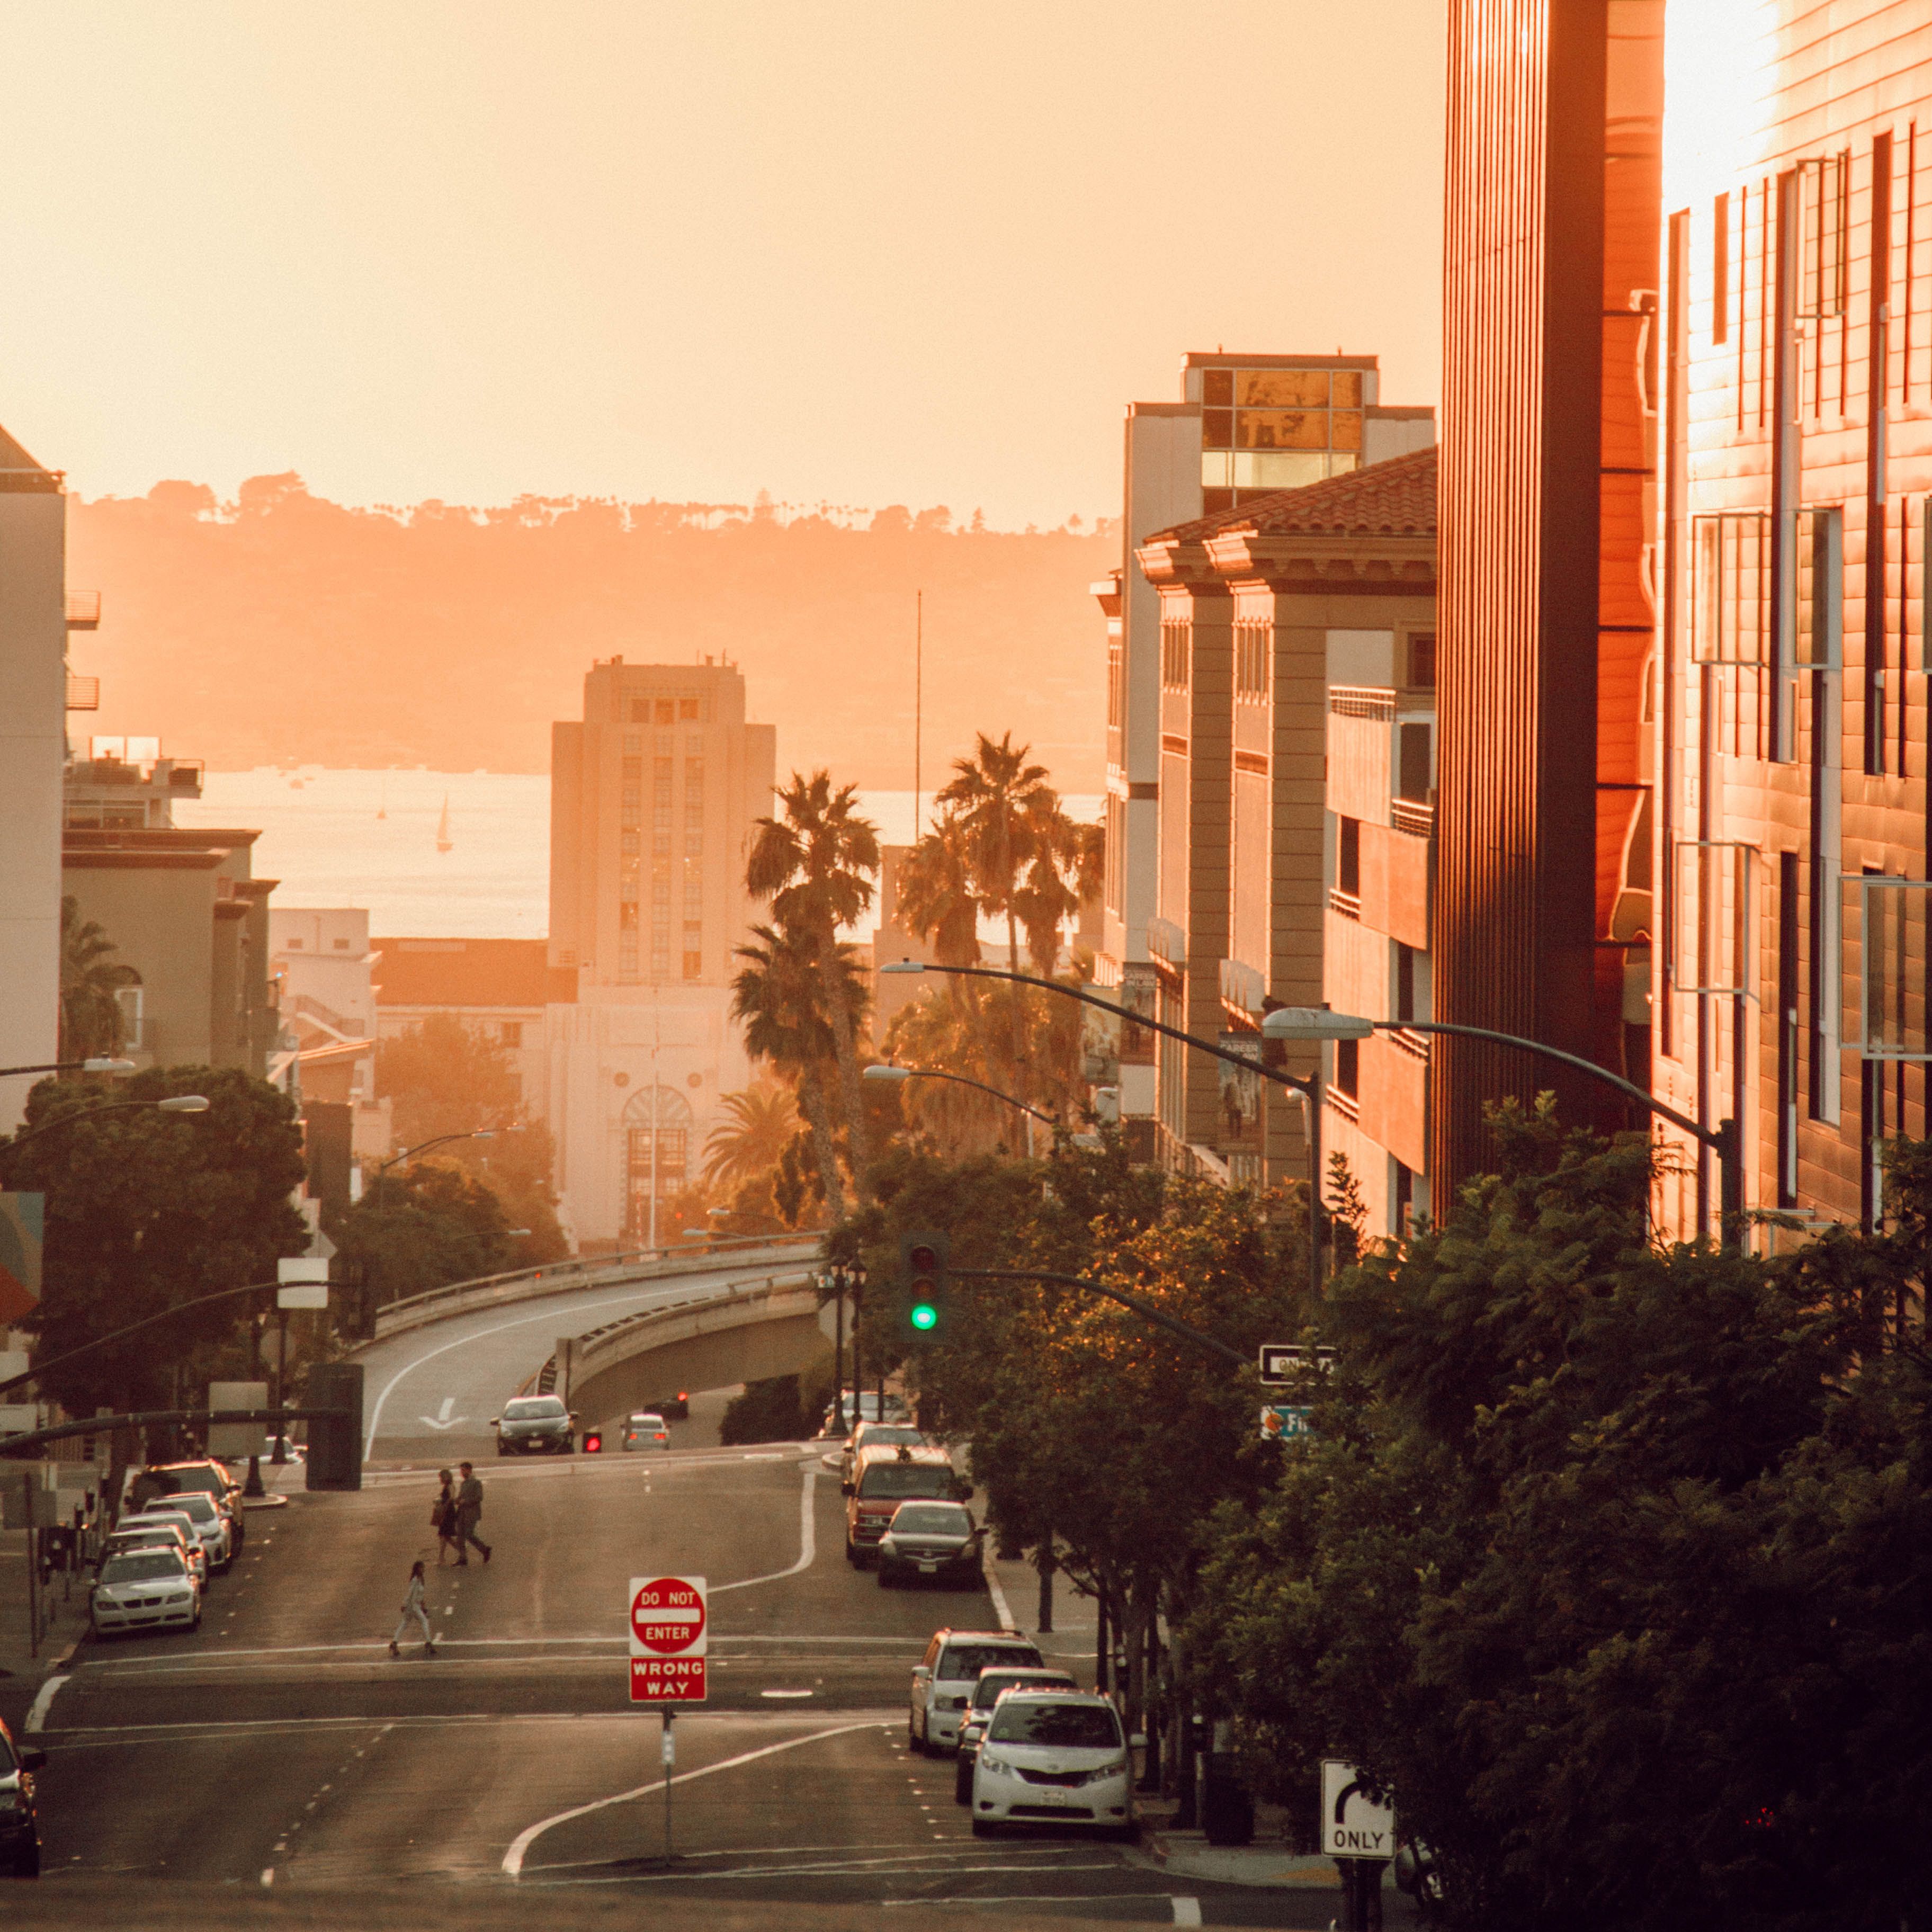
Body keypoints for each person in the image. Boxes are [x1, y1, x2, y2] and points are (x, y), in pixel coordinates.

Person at [389, 1559, 435, 1657]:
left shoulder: (421, 1579)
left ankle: (394, 1643)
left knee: (404, 1624)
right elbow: (410, 1594)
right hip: (413, 1607)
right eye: (421, 1568)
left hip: (415, 1606)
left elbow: (421, 1595)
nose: (423, 1569)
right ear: (417, 1569)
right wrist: (405, 1604)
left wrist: (423, 1606)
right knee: (424, 1621)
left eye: (423, 1567)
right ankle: (429, 1643)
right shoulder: (415, 1580)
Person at [454, 1461, 491, 1566]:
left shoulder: (476, 1483)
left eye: (463, 1470)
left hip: (472, 1513)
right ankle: (463, 1558)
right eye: (461, 1470)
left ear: (469, 1470)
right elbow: (460, 1497)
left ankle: (484, 1549)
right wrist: (456, 1500)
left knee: (469, 1534)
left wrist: (465, 1501)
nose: (462, 1473)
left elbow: (479, 1497)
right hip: (462, 1513)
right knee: (460, 1536)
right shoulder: (463, 1483)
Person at [432, 1469, 459, 1564]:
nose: (440, 1479)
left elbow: (451, 1498)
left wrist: (443, 1506)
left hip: (448, 1513)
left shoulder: (450, 1486)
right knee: (446, 1536)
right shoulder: (448, 1486)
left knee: (444, 1535)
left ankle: (442, 1558)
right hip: (448, 1512)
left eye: (441, 1477)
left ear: (445, 1477)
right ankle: (461, 1551)